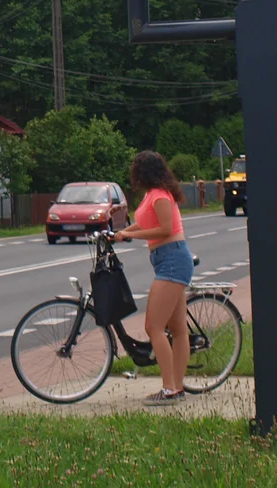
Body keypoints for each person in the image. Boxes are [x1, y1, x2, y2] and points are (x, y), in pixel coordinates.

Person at [113, 150, 193, 406]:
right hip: (166, 259)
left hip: (172, 259)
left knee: (154, 327)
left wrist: (131, 236)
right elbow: (146, 223)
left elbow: (165, 228)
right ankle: (177, 388)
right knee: (178, 330)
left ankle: (169, 389)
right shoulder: (153, 194)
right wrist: (123, 232)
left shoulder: (160, 195)